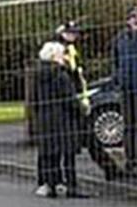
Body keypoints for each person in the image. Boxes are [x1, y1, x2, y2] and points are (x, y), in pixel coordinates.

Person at [26, 39, 91, 197]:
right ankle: (72, 187)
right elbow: (69, 99)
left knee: (50, 154)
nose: (64, 57)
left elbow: (33, 99)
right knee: (68, 155)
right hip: (64, 120)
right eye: (62, 54)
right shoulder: (61, 75)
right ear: (54, 56)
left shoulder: (37, 75)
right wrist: (82, 109)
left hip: (45, 119)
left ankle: (51, 185)